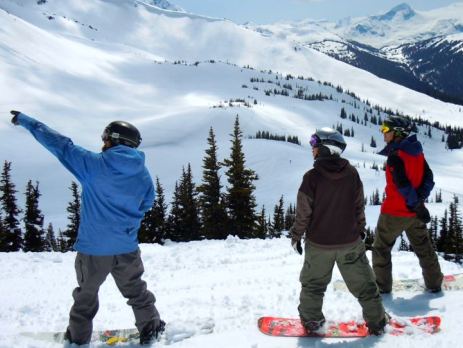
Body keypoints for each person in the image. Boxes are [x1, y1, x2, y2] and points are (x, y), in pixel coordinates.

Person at [10, 110, 164, 345]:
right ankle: (151, 328)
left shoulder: (94, 165)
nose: (103, 143)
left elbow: (61, 145)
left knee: (86, 297)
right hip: (126, 247)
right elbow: (147, 203)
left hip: (94, 250)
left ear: (114, 139)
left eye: (106, 138)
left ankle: (78, 338)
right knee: (136, 291)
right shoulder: (142, 173)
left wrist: (26, 121)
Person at [290, 127, 388, 336]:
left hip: (318, 244)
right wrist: (360, 230)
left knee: (314, 285)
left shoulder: (311, 177)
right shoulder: (352, 173)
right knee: (365, 286)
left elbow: (303, 213)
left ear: (326, 148)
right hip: (349, 243)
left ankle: (312, 322)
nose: (312, 149)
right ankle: (377, 322)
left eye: (315, 145)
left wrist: (297, 235)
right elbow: (358, 205)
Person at [373, 115, 443, 293]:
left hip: (394, 213)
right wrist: (419, 202)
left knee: (381, 248)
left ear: (398, 133)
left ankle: (382, 288)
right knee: (423, 247)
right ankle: (434, 284)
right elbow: (429, 178)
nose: (383, 134)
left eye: (386, 130)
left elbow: (402, 185)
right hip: (415, 214)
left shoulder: (395, 157)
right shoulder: (418, 153)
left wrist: (415, 203)